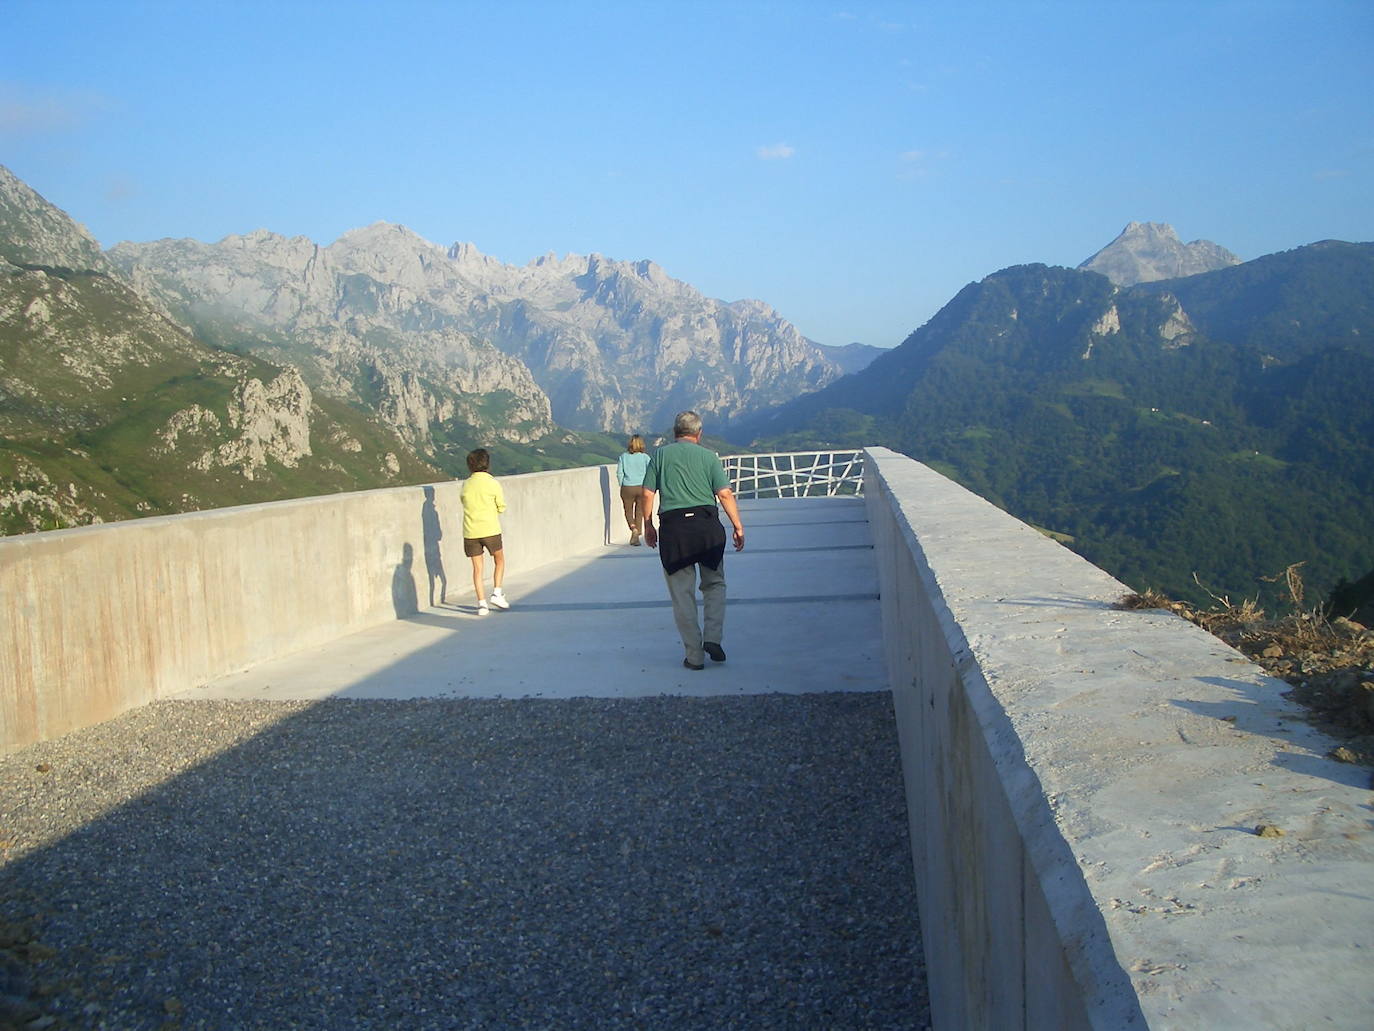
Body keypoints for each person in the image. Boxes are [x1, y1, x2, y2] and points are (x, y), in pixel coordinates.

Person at [641, 411, 745, 670]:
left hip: (675, 530)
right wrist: (738, 526)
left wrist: (648, 525)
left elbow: (647, 493)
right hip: (706, 526)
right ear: (699, 433)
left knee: (682, 594)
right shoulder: (709, 457)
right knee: (715, 583)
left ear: (674, 432)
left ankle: (694, 656)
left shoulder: (660, 456)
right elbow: (724, 494)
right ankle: (713, 637)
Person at [460, 448, 510, 615]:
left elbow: (463, 501)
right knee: (499, 560)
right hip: (490, 529)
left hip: (470, 531)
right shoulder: (493, 483)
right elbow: (501, 506)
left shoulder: (466, 484)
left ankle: (481, 604)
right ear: (487, 464)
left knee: (477, 569)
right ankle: (497, 592)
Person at [616, 434, 651, 545]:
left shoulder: (623, 457)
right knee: (640, 511)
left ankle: (633, 528)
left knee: (628, 510)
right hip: (641, 486)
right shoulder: (645, 457)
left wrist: (622, 483)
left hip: (627, 487)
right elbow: (650, 472)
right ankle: (638, 534)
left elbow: (619, 473)